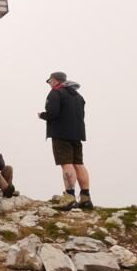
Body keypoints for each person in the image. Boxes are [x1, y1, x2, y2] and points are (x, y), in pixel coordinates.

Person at [39, 71, 92, 211]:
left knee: (66, 164)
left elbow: (53, 113)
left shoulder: (55, 93)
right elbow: (82, 115)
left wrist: (42, 115)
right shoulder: (78, 96)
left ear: (55, 81)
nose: (49, 83)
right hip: (77, 134)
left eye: (50, 81)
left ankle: (70, 198)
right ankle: (86, 198)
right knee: (78, 164)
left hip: (61, 134)